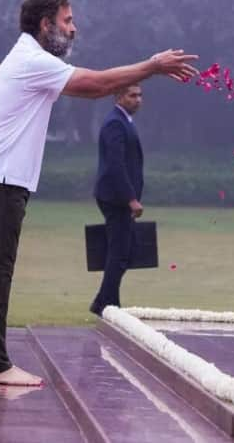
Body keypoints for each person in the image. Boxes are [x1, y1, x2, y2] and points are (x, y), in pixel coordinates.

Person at [0, 0, 198, 386]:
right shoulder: (31, 60)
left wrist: (146, 70)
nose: (74, 28)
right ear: (45, 24)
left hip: (1, 180)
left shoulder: (29, 59)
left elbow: (91, 87)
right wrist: (152, 66)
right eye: (68, 20)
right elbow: (94, 85)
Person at [90, 85, 144, 317]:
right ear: (119, 97)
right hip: (116, 198)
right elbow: (116, 164)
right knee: (120, 253)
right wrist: (130, 198)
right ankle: (106, 304)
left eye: (140, 95)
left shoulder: (124, 121)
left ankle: (106, 301)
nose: (138, 100)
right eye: (133, 95)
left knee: (123, 251)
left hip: (117, 197)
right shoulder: (115, 123)